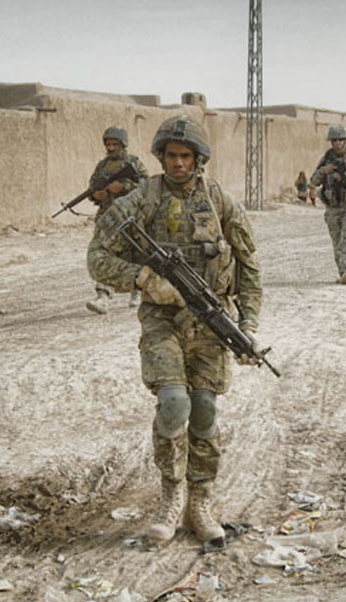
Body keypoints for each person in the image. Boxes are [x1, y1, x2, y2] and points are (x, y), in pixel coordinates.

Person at [87, 115, 262, 545]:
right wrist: (145, 280)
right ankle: (170, 496)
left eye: (186, 156)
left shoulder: (222, 203)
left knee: (203, 410)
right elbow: (97, 258)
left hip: (209, 321)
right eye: (171, 155)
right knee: (173, 405)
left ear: (198, 159)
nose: (178, 163)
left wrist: (248, 323)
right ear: (161, 157)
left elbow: (249, 268)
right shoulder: (141, 200)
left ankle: (199, 501)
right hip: (161, 318)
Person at [85, 127, 148, 314]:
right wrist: (98, 195)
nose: (111, 148)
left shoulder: (134, 163)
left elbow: (146, 185)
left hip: (131, 217)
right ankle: (102, 296)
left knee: (136, 253)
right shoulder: (102, 166)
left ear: (123, 145)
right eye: (108, 144)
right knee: (103, 253)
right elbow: (92, 189)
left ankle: (137, 290)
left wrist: (123, 187)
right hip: (108, 218)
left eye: (115, 144)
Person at [310, 124, 346, 285]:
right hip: (333, 207)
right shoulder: (326, 159)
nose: (337, 143)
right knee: (337, 242)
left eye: (340, 140)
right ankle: (342, 271)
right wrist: (324, 171)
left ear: (345, 141)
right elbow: (314, 181)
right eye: (334, 140)